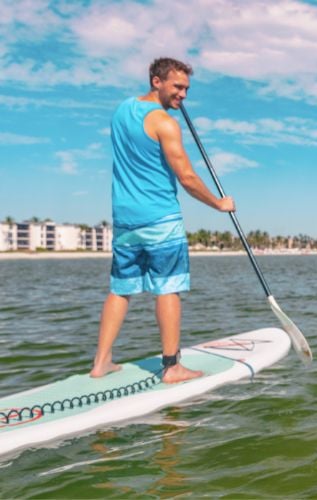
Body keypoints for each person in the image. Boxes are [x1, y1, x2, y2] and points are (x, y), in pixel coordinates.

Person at [89, 57, 235, 384]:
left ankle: (101, 362)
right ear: (157, 81)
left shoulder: (122, 110)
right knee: (168, 289)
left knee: (120, 290)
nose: (183, 95)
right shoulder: (165, 124)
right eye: (177, 87)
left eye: (186, 89)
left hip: (125, 220)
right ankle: (172, 367)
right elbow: (185, 176)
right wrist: (218, 204)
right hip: (160, 218)